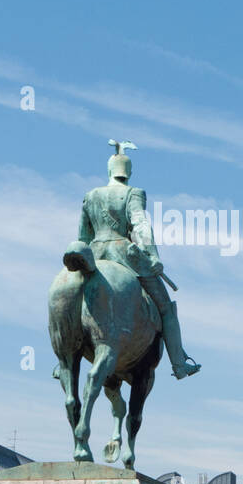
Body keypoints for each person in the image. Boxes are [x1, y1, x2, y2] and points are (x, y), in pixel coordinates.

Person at [69, 142, 201, 379]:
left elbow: (83, 237)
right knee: (167, 308)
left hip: (94, 255)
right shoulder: (133, 193)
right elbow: (140, 223)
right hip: (124, 255)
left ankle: (64, 361)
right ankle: (179, 365)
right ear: (128, 173)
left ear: (110, 171)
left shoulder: (91, 196)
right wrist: (153, 255)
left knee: (70, 300)